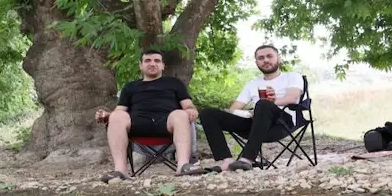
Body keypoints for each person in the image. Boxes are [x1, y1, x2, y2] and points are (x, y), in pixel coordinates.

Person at [95, 49, 204, 182]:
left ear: (163, 65)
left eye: (157, 61)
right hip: (138, 125)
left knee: (180, 114)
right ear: (140, 65)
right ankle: (120, 171)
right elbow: (119, 111)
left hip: (167, 123)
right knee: (116, 116)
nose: (152, 64)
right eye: (148, 60)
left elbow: (188, 105)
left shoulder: (174, 83)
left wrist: (190, 110)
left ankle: (183, 166)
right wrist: (107, 115)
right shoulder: (130, 87)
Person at [199, 45, 304, 171]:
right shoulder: (252, 83)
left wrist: (273, 101)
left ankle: (247, 159)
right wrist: (250, 113)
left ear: (278, 58)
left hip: (282, 124)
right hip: (255, 124)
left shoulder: (292, 76)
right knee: (208, 113)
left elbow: (292, 98)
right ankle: (226, 160)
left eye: (269, 56)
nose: (265, 60)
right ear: (256, 62)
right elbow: (233, 109)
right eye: (261, 58)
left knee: (263, 103)